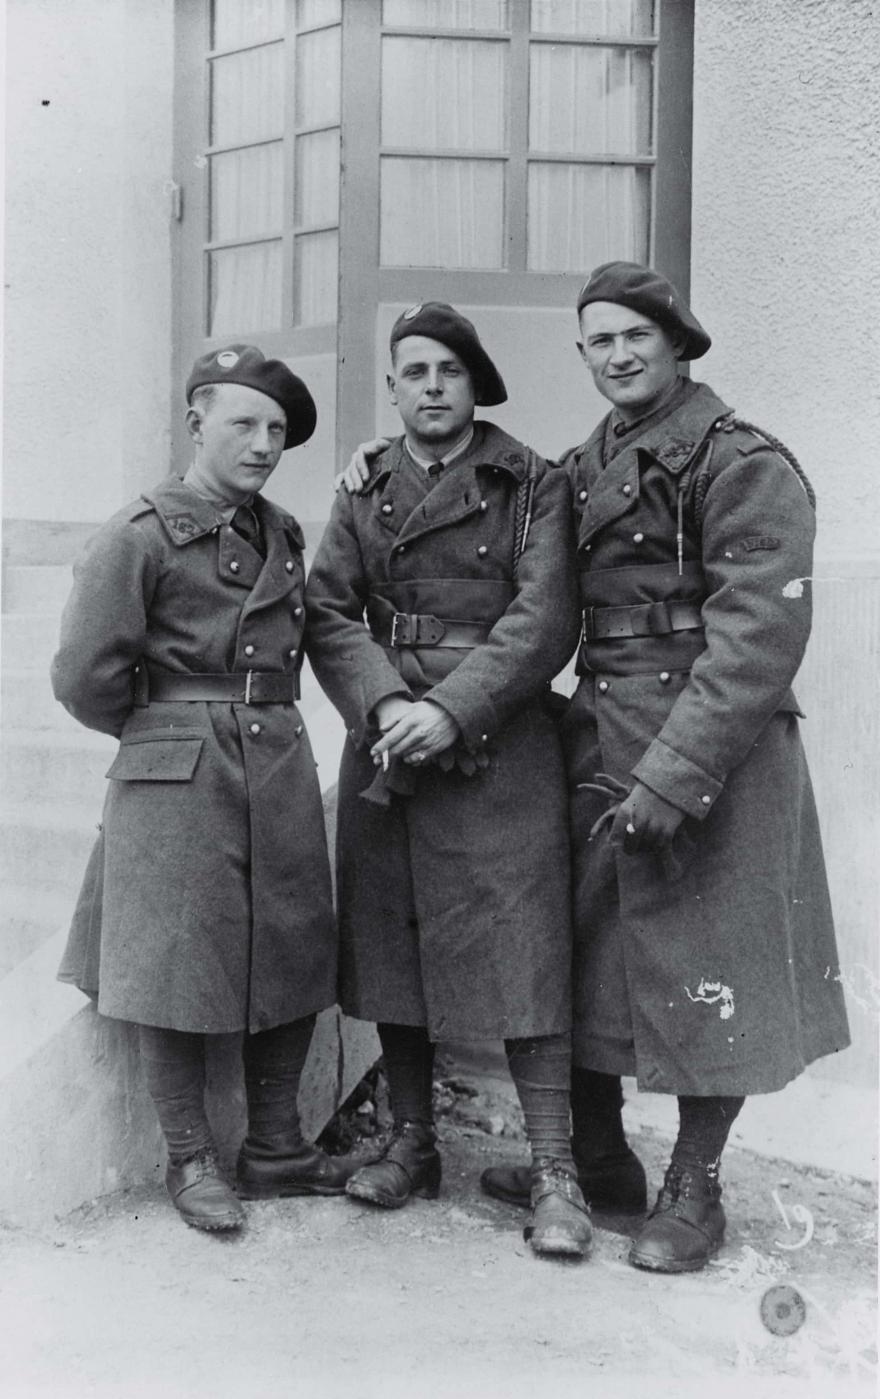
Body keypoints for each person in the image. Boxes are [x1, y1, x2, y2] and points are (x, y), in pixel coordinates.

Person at [342, 266, 851, 1274]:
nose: (617, 356)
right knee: (587, 958)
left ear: (678, 345)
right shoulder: (581, 466)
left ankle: (693, 1187)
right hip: (600, 738)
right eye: (599, 343)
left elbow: (756, 637)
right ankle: (603, 1158)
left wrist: (674, 775)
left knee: (710, 967)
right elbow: (517, 545)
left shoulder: (741, 463)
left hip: (717, 751)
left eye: (635, 338)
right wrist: (389, 466)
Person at [305, 302, 592, 1258]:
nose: (432, 387)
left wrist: (451, 709)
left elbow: (544, 621)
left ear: (476, 385)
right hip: (388, 739)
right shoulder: (364, 486)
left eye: (449, 372)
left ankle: (555, 1169)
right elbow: (328, 611)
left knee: (525, 944)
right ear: (392, 386)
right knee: (394, 938)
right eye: (414, 371)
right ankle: (413, 1140)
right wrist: (387, 706)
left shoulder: (531, 481)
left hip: (494, 740)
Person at [52, 345, 353, 1232]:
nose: (264, 445)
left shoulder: (284, 534)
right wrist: (160, 733)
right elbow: (82, 676)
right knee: (173, 958)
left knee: (294, 938)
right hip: (176, 767)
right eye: (244, 425)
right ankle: (189, 1156)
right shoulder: (137, 533)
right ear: (197, 424)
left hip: (276, 757)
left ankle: (277, 1146)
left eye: (276, 432)